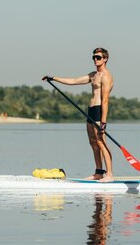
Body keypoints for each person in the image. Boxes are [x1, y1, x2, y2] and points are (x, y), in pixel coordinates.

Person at [43, 47, 114, 181]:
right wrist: (53, 78)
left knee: (101, 142)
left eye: (98, 57)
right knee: (93, 143)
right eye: (93, 57)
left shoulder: (106, 77)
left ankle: (109, 174)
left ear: (105, 59)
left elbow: (105, 100)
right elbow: (74, 81)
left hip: (99, 111)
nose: (95, 59)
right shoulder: (93, 75)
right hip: (90, 111)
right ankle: (99, 172)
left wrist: (103, 122)